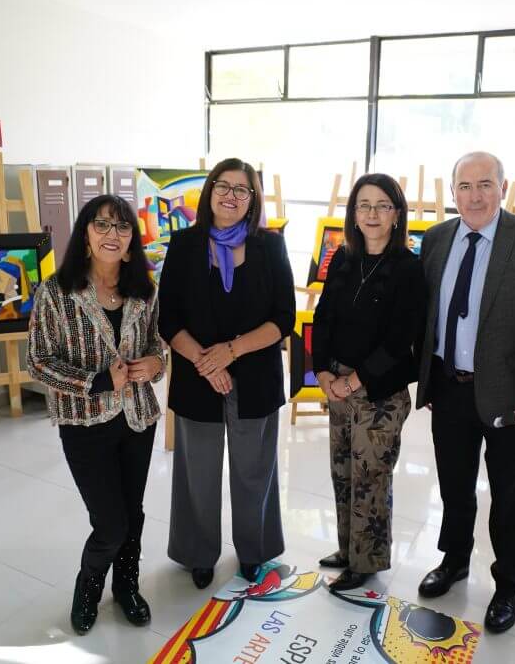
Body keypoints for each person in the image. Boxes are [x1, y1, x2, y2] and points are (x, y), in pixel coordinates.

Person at [415, 152, 515, 634]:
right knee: (454, 487)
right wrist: (428, 377)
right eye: (465, 186)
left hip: (511, 397)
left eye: (485, 184)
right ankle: (454, 560)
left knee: (509, 497)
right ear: (453, 192)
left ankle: (508, 585)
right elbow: (427, 316)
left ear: (504, 188)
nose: (475, 196)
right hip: (449, 389)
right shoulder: (436, 239)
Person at [26, 194, 165, 635]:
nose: (112, 234)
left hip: (137, 419)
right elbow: (38, 362)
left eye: (122, 227)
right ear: (85, 234)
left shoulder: (144, 290)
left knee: (133, 514)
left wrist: (156, 363)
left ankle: (126, 587)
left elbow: (157, 344)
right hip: (84, 424)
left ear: (132, 240)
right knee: (110, 523)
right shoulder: (56, 291)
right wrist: (97, 381)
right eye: (101, 225)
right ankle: (88, 587)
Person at [158, 158, 295, 589]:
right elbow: (168, 318)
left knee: (254, 471)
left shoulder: (270, 246)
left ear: (253, 199)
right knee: (197, 474)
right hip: (197, 376)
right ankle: (198, 553)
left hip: (255, 377)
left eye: (242, 189)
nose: (231, 196)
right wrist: (207, 362)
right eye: (223, 186)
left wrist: (230, 352)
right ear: (210, 191)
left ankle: (254, 550)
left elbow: (283, 318)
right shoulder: (184, 244)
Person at [311, 173, 426, 591]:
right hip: (338, 384)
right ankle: (348, 549)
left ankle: (366, 562)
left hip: (379, 392)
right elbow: (323, 317)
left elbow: (400, 339)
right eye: (364, 205)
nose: (372, 214)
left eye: (382, 205)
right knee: (342, 471)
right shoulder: (343, 258)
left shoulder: (409, 268)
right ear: (353, 214)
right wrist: (323, 372)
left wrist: (355, 380)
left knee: (370, 477)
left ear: (397, 214)